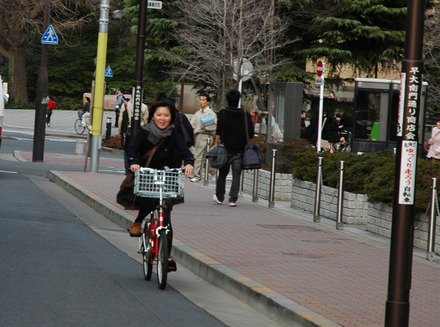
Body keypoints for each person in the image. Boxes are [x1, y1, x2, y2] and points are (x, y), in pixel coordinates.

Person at [126, 101, 194, 269]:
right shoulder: (144, 131)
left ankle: (167, 256)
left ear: (171, 117)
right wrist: (134, 163)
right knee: (150, 198)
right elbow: (132, 150)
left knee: (167, 221)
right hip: (148, 173)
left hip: (168, 175)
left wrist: (189, 163)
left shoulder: (174, 133)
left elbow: (186, 151)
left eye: (166, 115)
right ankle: (139, 220)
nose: (162, 119)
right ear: (153, 116)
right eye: (159, 115)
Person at [212, 89, 254, 207]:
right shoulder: (245, 115)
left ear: (227, 100)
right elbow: (250, 133)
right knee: (236, 174)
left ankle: (220, 197)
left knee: (223, 173)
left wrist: (215, 143)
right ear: (238, 100)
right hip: (240, 150)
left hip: (225, 149)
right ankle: (233, 199)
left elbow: (219, 130)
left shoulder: (223, 113)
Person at [190, 94, 217, 182]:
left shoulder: (210, 113)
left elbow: (214, 126)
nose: (201, 102)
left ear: (207, 102)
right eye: (200, 100)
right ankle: (214, 172)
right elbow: (192, 124)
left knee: (199, 156)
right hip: (198, 136)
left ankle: (197, 175)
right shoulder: (197, 113)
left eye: (203, 100)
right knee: (204, 157)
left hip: (206, 136)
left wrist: (206, 128)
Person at [118, 97, 149, 174]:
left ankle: (127, 168)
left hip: (128, 131)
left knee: (127, 150)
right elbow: (146, 120)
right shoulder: (144, 106)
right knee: (139, 149)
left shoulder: (125, 105)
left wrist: (120, 131)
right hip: (141, 131)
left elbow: (121, 119)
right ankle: (137, 167)